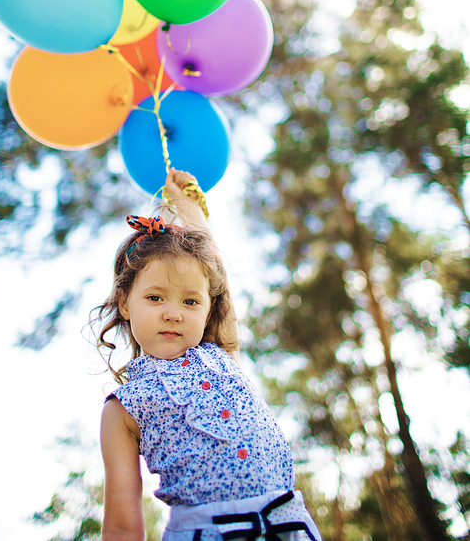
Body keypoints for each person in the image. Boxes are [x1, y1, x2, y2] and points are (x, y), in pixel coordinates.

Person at [93, 167, 322, 541]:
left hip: (289, 526)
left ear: (208, 308)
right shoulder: (122, 408)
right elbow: (121, 523)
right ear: (125, 303)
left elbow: (215, 269)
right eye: (155, 297)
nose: (173, 312)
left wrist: (186, 201)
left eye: (190, 300)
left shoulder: (218, 349)